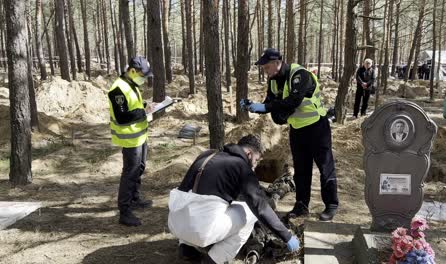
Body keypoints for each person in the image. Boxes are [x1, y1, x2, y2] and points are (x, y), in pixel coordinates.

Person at [168, 135, 300, 264]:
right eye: (256, 160)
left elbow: (185, 190)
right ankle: (214, 259)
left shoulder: (207, 155)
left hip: (175, 223)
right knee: (249, 213)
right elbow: (261, 207)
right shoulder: (242, 167)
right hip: (200, 230)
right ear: (248, 154)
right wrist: (286, 236)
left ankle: (185, 248)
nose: (255, 165)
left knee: (195, 205)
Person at [242, 48, 339, 221]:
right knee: (301, 170)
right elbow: (270, 103)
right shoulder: (273, 81)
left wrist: (265, 107)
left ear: (276, 63)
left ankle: (331, 205)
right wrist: (253, 106)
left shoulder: (300, 75)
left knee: (325, 167)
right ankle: (301, 205)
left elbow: (293, 101)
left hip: (317, 127)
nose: (265, 72)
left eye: (266, 67)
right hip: (297, 130)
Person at [108, 56, 158, 226]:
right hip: (130, 139)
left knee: (140, 168)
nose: (144, 79)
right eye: (142, 75)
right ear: (132, 71)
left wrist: (145, 105)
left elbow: (133, 105)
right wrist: (143, 112)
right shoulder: (117, 90)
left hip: (140, 135)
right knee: (130, 173)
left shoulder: (131, 84)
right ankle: (125, 211)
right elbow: (122, 117)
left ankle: (135, 198)